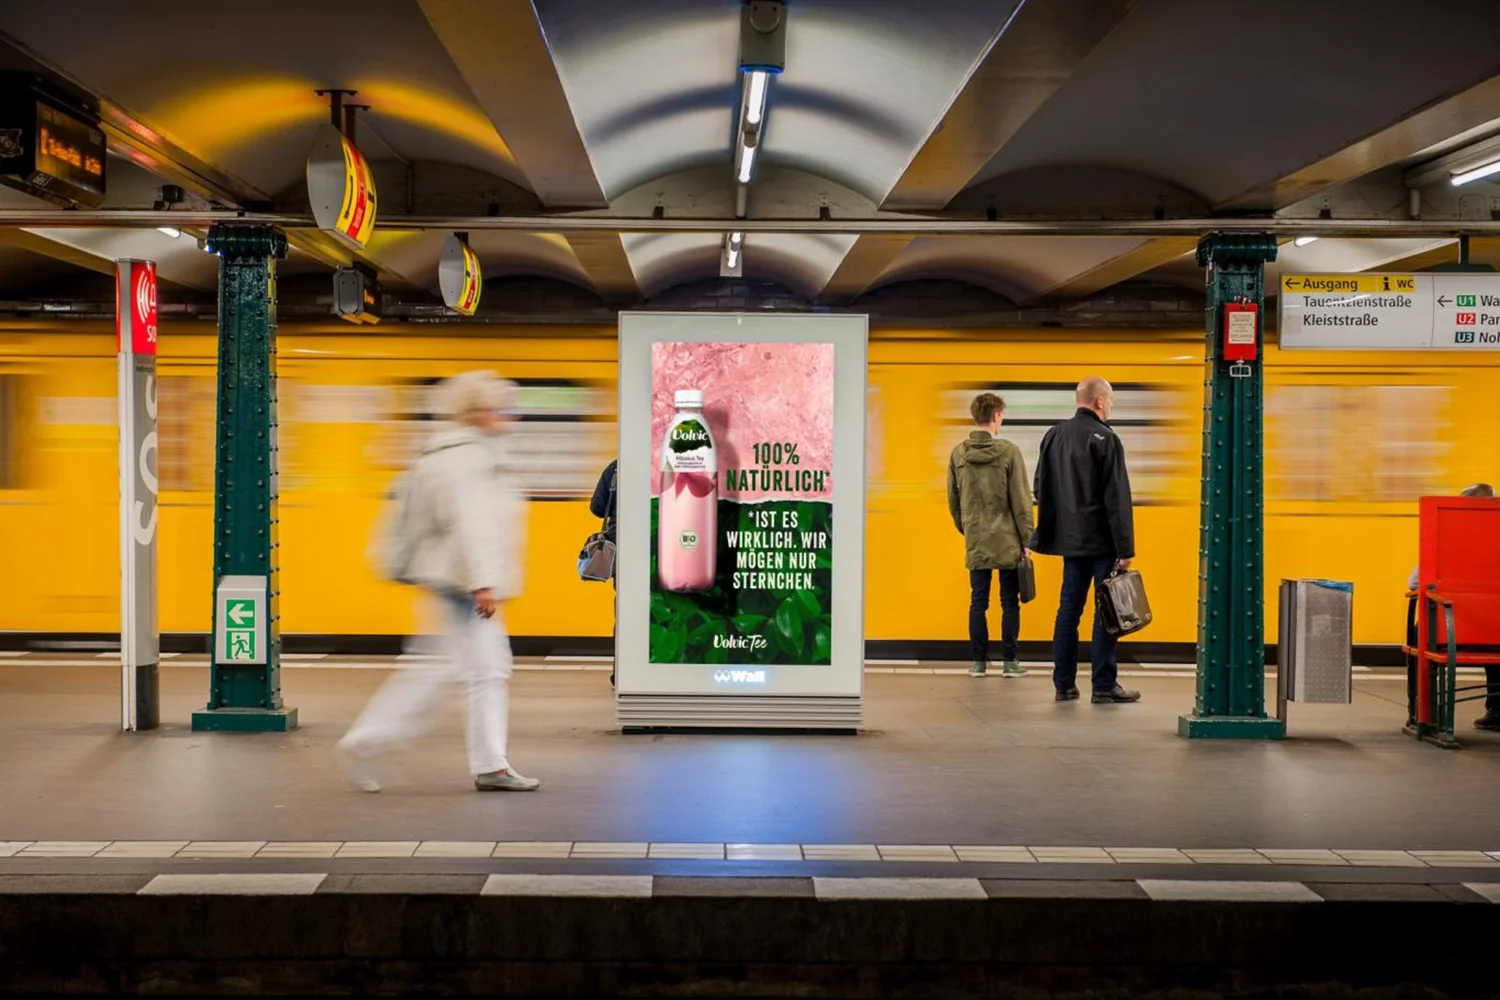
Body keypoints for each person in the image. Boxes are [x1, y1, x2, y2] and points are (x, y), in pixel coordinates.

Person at [337, 371, 539, 792]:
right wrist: (483, 581)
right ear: (481, 413)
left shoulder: (460, 452)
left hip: (454, 578)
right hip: (464, 582)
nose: (511, 418)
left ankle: (487, 763)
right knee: (471, 670)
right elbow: (470, 523)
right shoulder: (467, 459)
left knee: (466, 667)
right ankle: (371, 740)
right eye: (505, 409)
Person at [1031, 376, 1141, 705]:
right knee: (1106, 611)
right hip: (1102, 542)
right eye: (1110, 401)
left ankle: (1063, 684)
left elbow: (1039, 487)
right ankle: (1103, 685)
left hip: (1069, 542)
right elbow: (1117, 500)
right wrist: (1125, 549)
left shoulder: (1053, 435)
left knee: (1068, 610)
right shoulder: (1106, 438)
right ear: (1099, 402)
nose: (1110, 407)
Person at [947, 392, 1032, 678]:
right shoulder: (1009, 451)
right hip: (1008, 538)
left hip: (977, 538)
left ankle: (978, 663)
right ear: (995, 416)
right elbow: (1021, 500)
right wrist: (1027, 540)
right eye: (1002, 416)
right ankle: (1009, 662)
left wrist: (968, 528)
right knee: (1009, 601)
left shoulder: (958, 453)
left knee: (978, 601)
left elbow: (953, 500)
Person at [1406, 482, 1498, 732]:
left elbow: (1414, 582)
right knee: (1492, 633)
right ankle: (1497, 709)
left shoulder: (1449, 541)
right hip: (1495, 633)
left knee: (1419, 637)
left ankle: (1421, 711)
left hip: (1450, 636)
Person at [590, 459, 618, 686]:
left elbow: (597, 508)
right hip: (658, 546)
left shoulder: (615, 467)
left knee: (624, 610)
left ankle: (621, 670)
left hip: (621, 545)